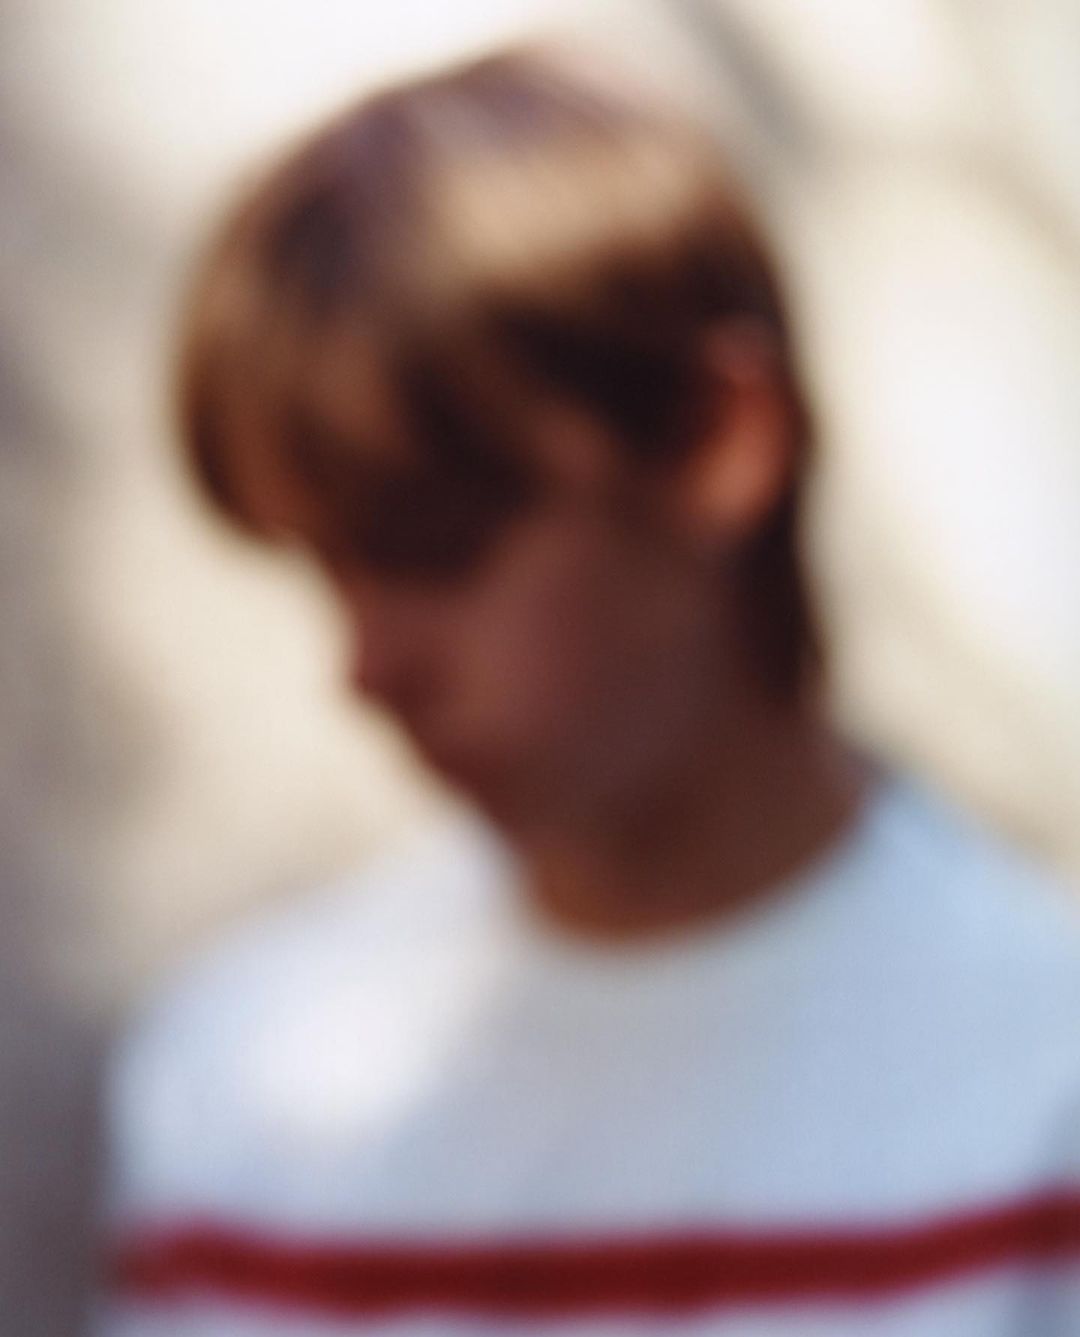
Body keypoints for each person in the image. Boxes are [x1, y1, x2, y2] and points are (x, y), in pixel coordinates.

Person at [96, 43, 1080, 1336]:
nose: (369, 667)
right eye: (330, 568)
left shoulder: (1038, 1093)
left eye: (436, 544)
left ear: (720, 441)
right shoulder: (243, 1091)